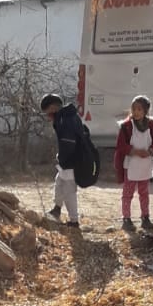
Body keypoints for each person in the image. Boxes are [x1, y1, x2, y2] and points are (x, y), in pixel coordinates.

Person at [113, 95, 153, 232]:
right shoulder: (126, 126)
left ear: (145, 111)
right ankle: (126, 218)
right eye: (134, 109)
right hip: (131, 165)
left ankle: (145, 217)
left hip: (145, 165)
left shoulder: (151, 125)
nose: (136, 112)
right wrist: (134, 151)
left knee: (144, 193)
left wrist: (151, 151)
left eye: (139, 109)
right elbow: (121, 145)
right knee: (127, 193)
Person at [40, 91, 87, 226]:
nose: (48, 116)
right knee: (59, 182)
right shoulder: (65, 117)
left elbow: (68, 143)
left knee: (69, 191)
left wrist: (63, 160)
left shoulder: (66, 119)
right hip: (67, 161)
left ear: (54, 108)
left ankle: (74, 220)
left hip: (72, 162)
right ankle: (57, 209)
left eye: (48, 112)